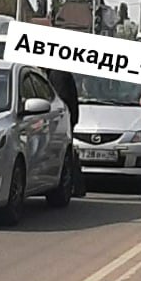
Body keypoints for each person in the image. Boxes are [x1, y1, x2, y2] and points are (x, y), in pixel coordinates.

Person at [47, 68, 85, 198]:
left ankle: (75, 185)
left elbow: (62, 98)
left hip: (63, 119)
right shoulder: (57, 72)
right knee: (68, 153)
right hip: (66, 117)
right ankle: (76, 185)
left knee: (65, 154)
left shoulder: (58, 75)